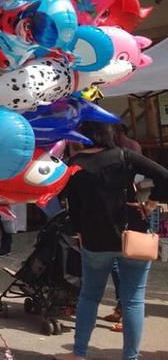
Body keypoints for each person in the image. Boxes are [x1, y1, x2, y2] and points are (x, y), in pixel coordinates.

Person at [54, 121, 168, 360]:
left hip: (95, 240)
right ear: (108, 134)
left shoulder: (75, 165)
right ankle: (131, 358)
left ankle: (79, 353)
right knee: (134, 301)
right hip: (134, 236)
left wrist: (79, 231)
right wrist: (151, 203)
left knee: (89, 296)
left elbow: (72, 207)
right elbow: (163, 175)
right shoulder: (124, 155)